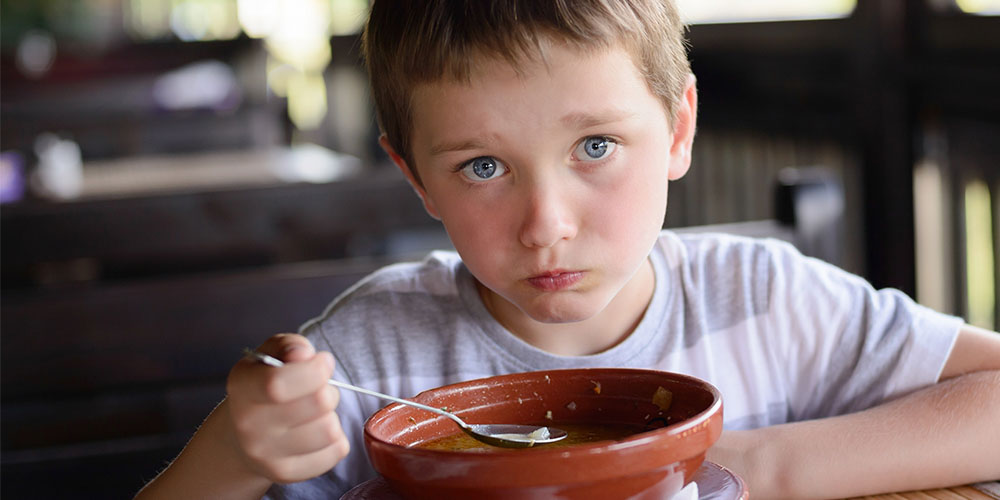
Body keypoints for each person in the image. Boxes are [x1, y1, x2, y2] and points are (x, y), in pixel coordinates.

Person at [136, 1, 1000, 498]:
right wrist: (237, 453)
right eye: (482, 165)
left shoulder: (766, 301)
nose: (546, 223)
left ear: (676, 128)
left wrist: (755, 465)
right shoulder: (373, 359)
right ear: (415, 178)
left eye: (594, 147)